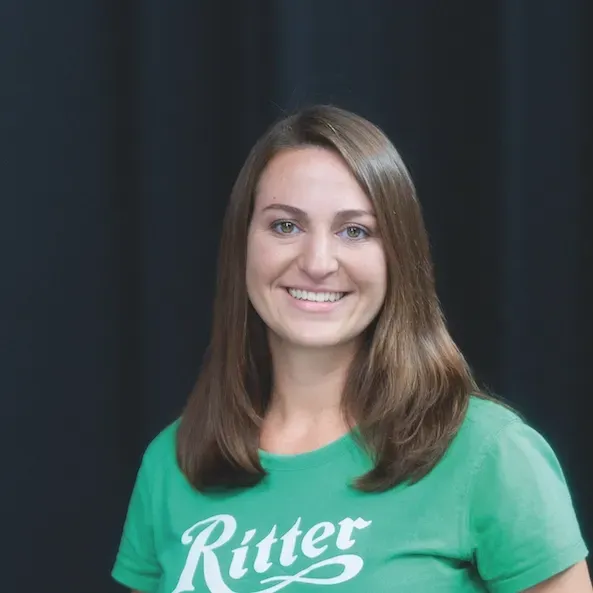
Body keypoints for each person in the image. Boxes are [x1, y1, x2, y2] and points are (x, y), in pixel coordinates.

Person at [111, 105, 590, 593]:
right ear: (243, 246)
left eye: (355, 231)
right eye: (285, 226)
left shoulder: (489, 452)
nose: (318, 262)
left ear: (397, 256)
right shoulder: (174, 461)